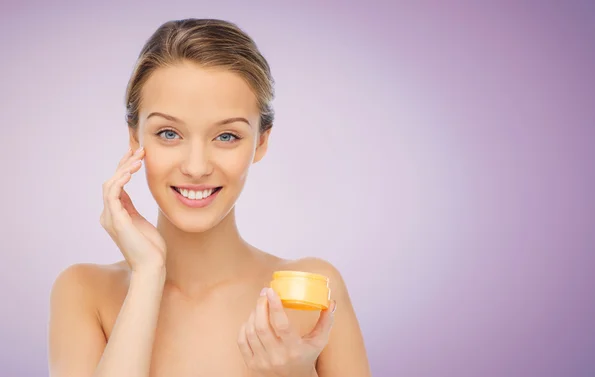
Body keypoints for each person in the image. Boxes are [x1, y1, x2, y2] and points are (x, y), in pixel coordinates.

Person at [48, 18, 371, 377]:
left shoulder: (309, 290)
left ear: (261, 142)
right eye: (169, 133)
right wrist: (148, 274)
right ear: (135, 138)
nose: (197, 167)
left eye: (227, 136)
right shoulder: (84, 293)